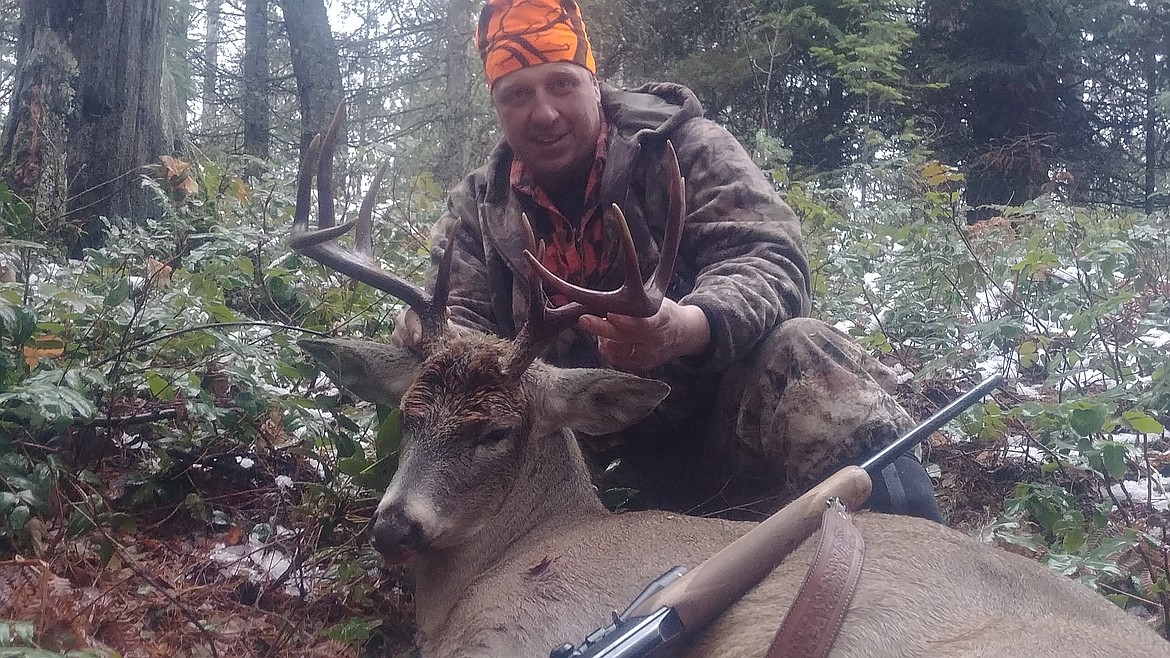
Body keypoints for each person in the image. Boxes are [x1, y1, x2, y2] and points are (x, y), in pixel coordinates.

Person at [392, 0, 943, 522]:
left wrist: (688, 325)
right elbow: (461, 315)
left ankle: (922, 555)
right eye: (516, 95)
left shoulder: (688, 149)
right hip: (572, 468)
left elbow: (768, 257)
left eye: (561, 84)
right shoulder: (478, 210)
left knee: (804, 351)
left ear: (594, 82)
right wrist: (433, 332)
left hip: (719, 433)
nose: (544, 113)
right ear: (497, 107)